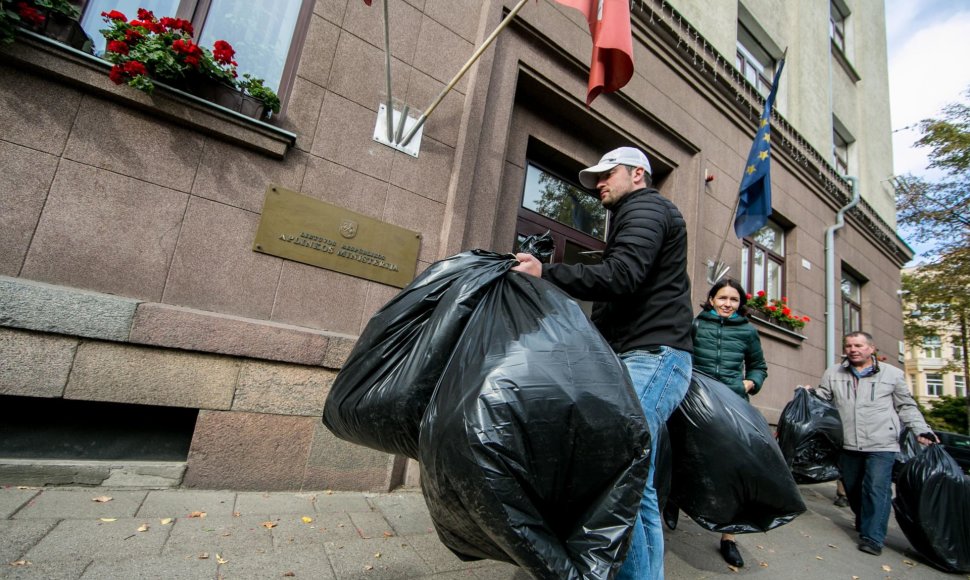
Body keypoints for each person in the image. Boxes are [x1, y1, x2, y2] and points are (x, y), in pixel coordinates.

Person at [512, 146, 693, 580]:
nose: (599, 186)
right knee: (635, 480)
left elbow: (621, 276)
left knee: (625, 474)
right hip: (646, 354)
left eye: (607, 175)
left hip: (655, 356)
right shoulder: (638, 213)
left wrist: (547, 273)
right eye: (595, 181)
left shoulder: (646, 207)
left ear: (637, 173)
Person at [814, 331, 938, 556]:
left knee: (876, 489)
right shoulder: (833, 373)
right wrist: (806, 396)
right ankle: (864, 521)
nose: (853, 349)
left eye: (859, 345)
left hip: (882, 443)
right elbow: (822, 400)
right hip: (848, 442)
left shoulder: (892, 374)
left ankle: (873, 537)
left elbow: (906, 406)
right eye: (849, 345)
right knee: (852, 489)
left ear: (871, 349)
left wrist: (922, 429)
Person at [690, 278, 767, 568]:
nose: (727, 304)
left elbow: (759, 366)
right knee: (689, 459)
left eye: (733, 300)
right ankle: (672, 503)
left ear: (740, 304)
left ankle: (729, 537)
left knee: (733, 472)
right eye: (722, 298)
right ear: (711, 300)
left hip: (733, 405)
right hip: (698, 403)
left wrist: (748, 384)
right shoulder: (697, 325)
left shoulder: (748, 331)